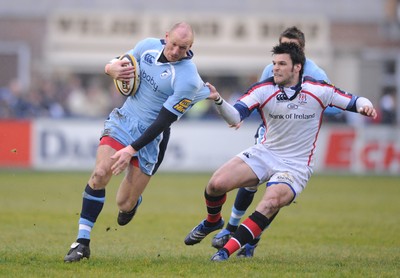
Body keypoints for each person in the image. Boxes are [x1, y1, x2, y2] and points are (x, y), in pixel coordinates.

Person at [184, 42, 377, 261]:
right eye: (274, 63)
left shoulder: (318, 90)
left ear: (297, 67)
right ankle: (213, 221)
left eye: (282, 64)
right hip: (265, 152)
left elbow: (354, 100)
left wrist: (365, 105)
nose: (275, 68)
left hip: (295, 165)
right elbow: (235, 117)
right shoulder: (263, 89)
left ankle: (225, 252)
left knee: (270, 202)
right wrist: (219, 100)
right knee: (216, 184)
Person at [64, 22, 210, 262]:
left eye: (182, 48)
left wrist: (131, 149)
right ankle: (81, 242)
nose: (175, 51)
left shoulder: (188, 79)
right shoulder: (148, 47)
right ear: (166, 37)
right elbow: (121, 61)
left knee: (124, 202)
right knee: (100, 173)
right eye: (173, 44)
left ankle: (133, 204)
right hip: (124, 121)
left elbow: (163, 121)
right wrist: (110, 68)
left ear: (190, 47)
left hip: (152, 137)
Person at [211, 26, 341, 258]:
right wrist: (239, 113)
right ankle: (231, 226)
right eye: (283, 46)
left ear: (302, 52)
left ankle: (250, 240)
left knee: (276, 194)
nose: (285, 54)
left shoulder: (317, 75)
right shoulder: (269, 70)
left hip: (296, 144)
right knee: (249, 182)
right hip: (270, 135)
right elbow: (260, 96)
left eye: (293, 48)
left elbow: (332, 106)